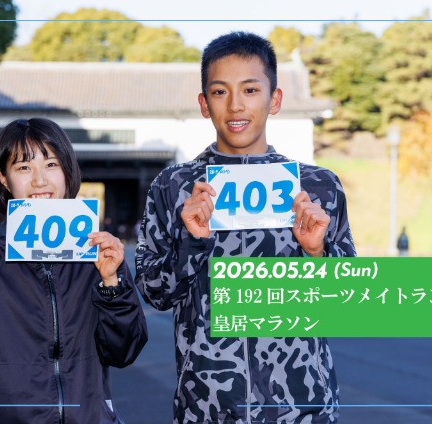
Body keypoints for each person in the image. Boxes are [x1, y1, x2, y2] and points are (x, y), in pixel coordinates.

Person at [135, 32, 356, 424]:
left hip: (304, 408)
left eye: (250, 90)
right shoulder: (173, 187)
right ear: (204, 104)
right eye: (220, 92)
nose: (235, 105)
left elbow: (348, 303)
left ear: (275, 99)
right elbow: (154, 293)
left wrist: (317, 252)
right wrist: (191, 242)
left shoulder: (319, 186)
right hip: (206, 408)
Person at [0, 118, 147, 424]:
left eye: (51, 164)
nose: (40, 180)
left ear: (67, 171)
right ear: (4, 179)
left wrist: (112, 282)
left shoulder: (96, 251)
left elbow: (124, 351)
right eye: (23, 167)